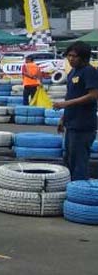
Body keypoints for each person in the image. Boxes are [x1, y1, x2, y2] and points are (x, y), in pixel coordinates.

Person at [53, 41, 98, 181]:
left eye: (74, 56)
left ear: (83, 57)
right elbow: (70, 95)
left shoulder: (89, 71)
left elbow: (93, 95)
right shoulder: (72, 72)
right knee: (69, 159)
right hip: (71, 123)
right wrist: (63, 119)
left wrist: (65, 104)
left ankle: (80, 189)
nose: (71, 59)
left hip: (84, 125)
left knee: (79, 162)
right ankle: (72, 188)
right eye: (69, 55)